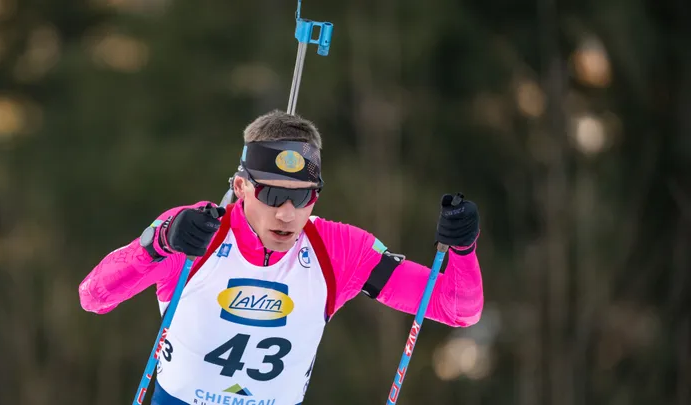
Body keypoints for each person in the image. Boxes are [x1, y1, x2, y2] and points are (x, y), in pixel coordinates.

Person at [78, 110, 485, 405]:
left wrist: (462, 248)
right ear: (241, 187)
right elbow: (93, 296)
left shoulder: (339, 249)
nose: (287, 214)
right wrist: (157, 244)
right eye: (272, 195)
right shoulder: (197, 232)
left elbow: (457, 309)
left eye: (303, 197)